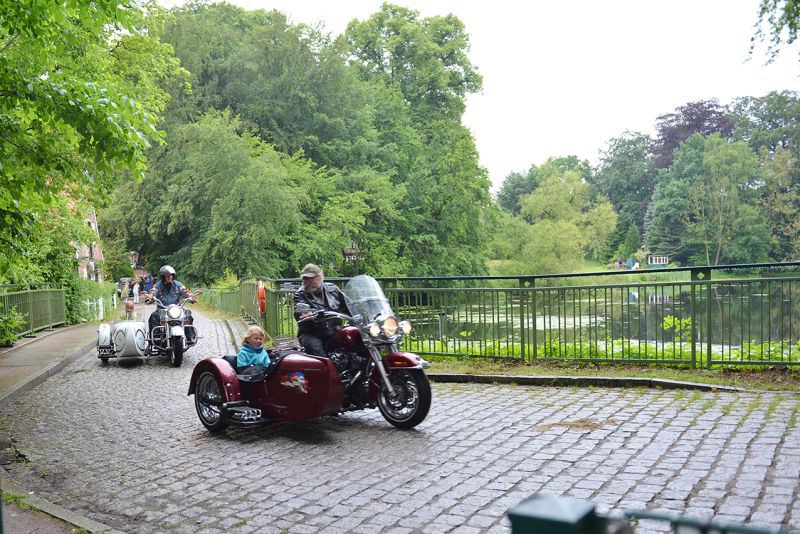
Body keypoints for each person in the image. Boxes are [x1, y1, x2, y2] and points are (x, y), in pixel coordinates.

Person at [293, 263, 349, 357]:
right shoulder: (300, 294)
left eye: (309, 278)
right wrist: (306, 314)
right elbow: (300, 312)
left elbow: (348, 306)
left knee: (355, 340)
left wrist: (361, 312)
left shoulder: (333, 289)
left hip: (334, 331)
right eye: (304, 278)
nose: (306, 281)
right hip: (311, 333)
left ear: (319, 277)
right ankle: (328, 371)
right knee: (315, 348)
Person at [145, 265, 195, 340]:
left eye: (171, 275)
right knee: (153, 317)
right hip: (162, 310)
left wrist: (191, 297)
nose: (170, 277)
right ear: (163, 277)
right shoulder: (158, 285)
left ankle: (190, 337)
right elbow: (153, 291)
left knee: (188, 315)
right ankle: (155, 338)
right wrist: (150, 297)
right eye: (167, 276)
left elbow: (186, 291)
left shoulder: (178, 285)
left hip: (176, 309)